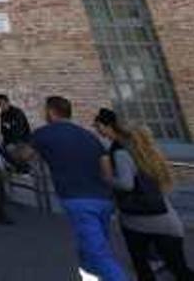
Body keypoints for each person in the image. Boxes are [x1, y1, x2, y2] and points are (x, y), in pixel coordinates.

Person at [93, 109, 194, 281]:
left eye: (98, 126)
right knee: (180, 269)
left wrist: (107, 177)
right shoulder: (147, 154)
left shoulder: (120, 151)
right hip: (166, 219)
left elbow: (126, 184)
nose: (97, 130)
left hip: (136, 220)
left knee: (143, 269)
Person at [26, 96, 126, 281]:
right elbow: (107, 172)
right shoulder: (90, 137)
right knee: (88, 249)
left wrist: (12, 151)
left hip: (78, 201)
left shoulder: (43, 134)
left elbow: (24, 155)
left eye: (44, 110)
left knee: (98, 253)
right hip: (103, 200)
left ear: (51, 112)